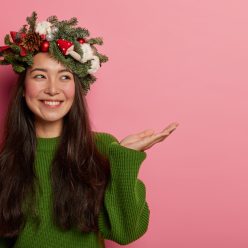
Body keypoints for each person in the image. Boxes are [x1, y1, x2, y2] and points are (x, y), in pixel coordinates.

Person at [0, 12, 179, 248]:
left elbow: (126, 233)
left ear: (77, 89)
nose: (53, 89)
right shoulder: (6, 162)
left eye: (64, 77)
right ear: (24, 89)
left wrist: (125, 159)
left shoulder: (102, 148)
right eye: (40, 76)